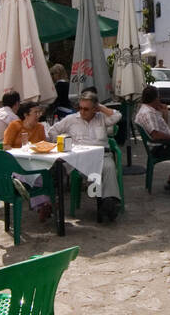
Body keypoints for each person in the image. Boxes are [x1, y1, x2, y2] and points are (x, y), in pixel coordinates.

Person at [53, 91, 123, 222]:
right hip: (81, 159)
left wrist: (100, 107)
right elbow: (53, 131)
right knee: (96, 174)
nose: (82, 112)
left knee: (109, 166)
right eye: (80, 108)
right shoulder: (71, 119)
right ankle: (108, 203)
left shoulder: (101, 117)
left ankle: (108, 202)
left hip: (102, 155)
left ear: (95, 109)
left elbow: (117, 116)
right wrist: (61, 145)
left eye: (86, 109)